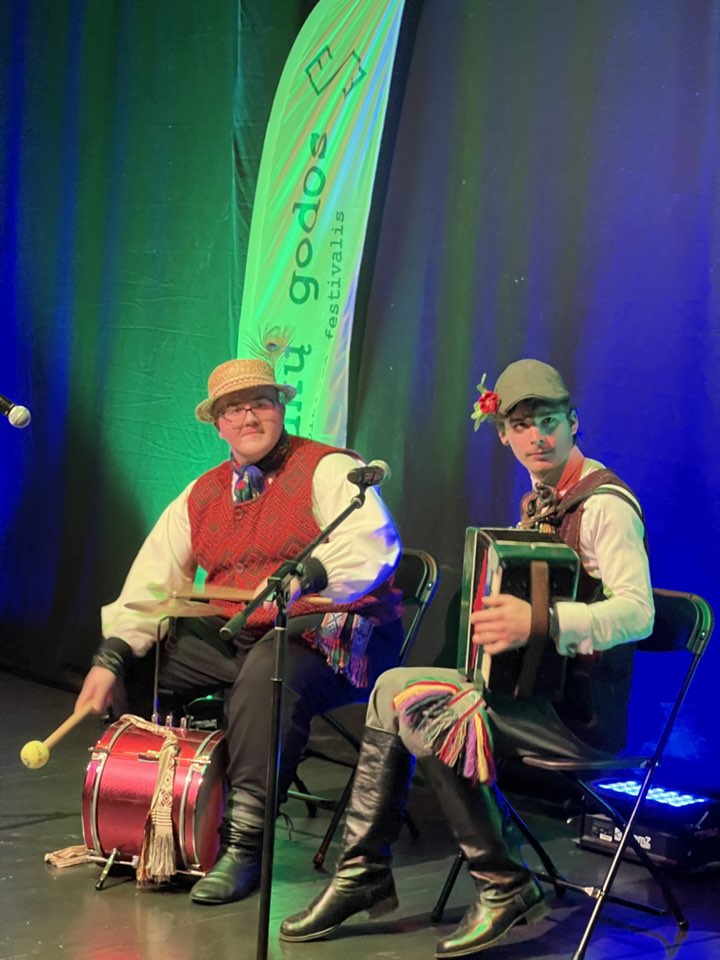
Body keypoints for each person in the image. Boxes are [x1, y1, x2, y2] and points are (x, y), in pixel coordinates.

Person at [279, 358, 653, 958]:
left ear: (574, 422)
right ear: (503, 434)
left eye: (549, 421)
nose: (538, 436)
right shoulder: (542, 502)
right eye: (522, 425)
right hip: (527, 695)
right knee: (392, 686)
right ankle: (361, 871)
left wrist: (541, 621)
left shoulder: (605, 505)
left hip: (577, 715)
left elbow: (639, 614)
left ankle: (504, 883)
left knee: (429, 711)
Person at [75, 357, 404, 904]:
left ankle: (245, 845)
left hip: (336, 633)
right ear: (217, 424)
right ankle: (155, 820)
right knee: (144, 656)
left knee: (268, 668)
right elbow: (153, 580)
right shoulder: (201, 493)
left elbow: (373, 544)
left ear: (280, 409)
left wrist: (311, 573)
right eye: (233, 409)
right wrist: (111, 656)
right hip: (249, 632)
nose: (249, 417)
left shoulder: (327, 468)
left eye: (260, 404)